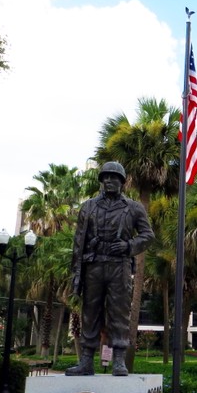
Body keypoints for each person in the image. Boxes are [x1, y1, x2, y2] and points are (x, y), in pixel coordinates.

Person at [66, 161, 155, 377]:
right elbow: (78, 243)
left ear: (122, 182)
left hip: (119, 266)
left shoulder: (133, 207)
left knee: (119, 312)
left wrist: (128, 246)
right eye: (105, 177)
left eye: (114, 178)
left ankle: (118, 361)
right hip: (94, 265)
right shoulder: (88, 207)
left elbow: (147, 235)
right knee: (90, 312)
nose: (109, 181)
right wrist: (76, 274)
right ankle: (86, 361)